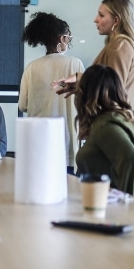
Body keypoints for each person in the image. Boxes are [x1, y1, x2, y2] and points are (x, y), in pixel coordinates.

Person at [56, 0, 134, 120]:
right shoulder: (120, 45)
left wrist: (81, 80)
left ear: (116, 21)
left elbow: (113, 89)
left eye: (101, 15)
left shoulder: (120, 46)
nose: (95, 19)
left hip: (117, 126)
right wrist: (80, 84)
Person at [19, 12, 84, 172]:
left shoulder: (31, 67)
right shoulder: (75, 65)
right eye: (68, 37)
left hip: (39, 143)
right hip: (67, 145)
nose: (69, 41)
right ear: (62, 38)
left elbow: (22, 106)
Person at [74, 64, 134, 195]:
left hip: (106, 207)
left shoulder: (105, 126)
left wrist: (123, 202)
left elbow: (132, 159)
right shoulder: (118, 120)